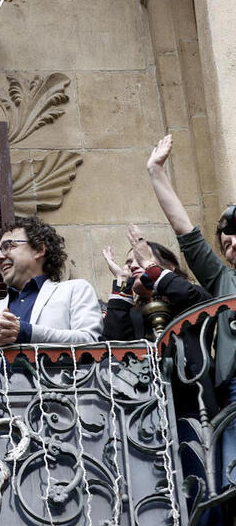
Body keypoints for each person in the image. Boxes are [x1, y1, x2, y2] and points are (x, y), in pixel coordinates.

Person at [147, 134, 236, 384]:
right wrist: (155, 171)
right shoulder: (225, 279)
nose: (233, 246)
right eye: (227, 245)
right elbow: (186, 231)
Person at [0, 216, 102, 345]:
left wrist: (27, 333)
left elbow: (90, 341)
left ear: (39, 250)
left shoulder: (75, 290)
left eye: (8, 246)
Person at [102, 225, 210, 341]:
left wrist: (149, 265)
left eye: (140, 259)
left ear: (170, 267)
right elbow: (113, 346)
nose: (133, 266)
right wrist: (121, 279)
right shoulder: (131, 313)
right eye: (129, 264)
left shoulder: (195, 294)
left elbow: (191, 298)